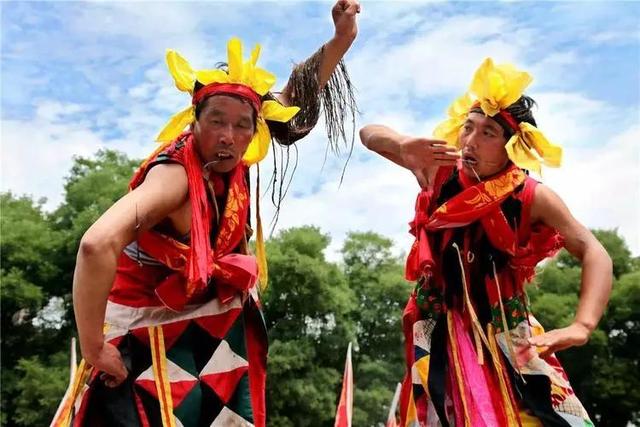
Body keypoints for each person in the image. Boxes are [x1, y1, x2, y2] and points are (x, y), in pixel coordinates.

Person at [52, 2, 360, 426]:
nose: (228, 136)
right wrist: (92, 347)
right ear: (193, 122)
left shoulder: (234, 159)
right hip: (145, 338)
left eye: (242, 125)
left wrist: (341, 40)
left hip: (208, 333)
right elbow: (96, 244)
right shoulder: (175, 177)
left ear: (256, 130)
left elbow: (295, 93)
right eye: (217, 121)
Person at [360, 58, 612, 426]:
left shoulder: (530, 196)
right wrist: (401, 143)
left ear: (512, 146)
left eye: (488, 133)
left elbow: (594, 250)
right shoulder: (440, 170)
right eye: (468, 128)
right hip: (437, 327)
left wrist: (582, 326)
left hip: (509, 330)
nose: (470, 141)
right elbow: (369, 133)